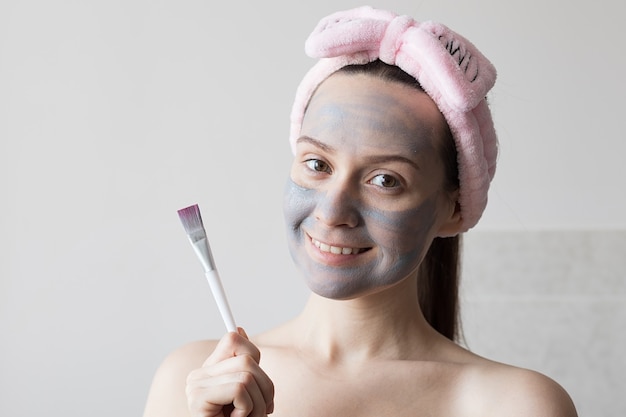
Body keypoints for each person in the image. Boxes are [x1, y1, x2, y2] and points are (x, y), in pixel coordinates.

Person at [143, 6, 578, 417]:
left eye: (386, 180)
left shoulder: (514, 405)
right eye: (317, 164)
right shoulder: (192, 380)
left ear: (454, 208)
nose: (333, 211)